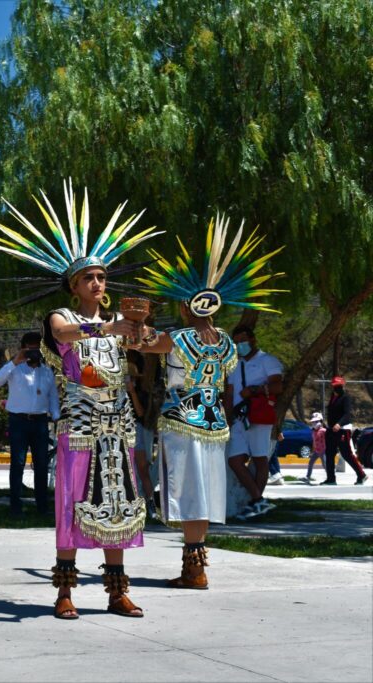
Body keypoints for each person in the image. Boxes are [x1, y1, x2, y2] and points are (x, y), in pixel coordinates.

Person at [0, 179, 161, 619]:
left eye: (101, 276)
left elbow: (158, 346)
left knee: (117, 503)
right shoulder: (62, 317)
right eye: (88, 278)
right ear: (74, 286)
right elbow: (62, 335)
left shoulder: (120, 321)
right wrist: (110, 330)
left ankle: (117, 591)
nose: (97, 282)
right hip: (78, 423)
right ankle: (64, 589)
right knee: (71, 504)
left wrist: (147, 332)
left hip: (117, 424)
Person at [137, 213, 284, 589]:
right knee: (202, 494)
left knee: (186, 493)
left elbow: (138, 344)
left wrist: (138, 321)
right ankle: (196, 565)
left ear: (187, 307)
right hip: (215, 424)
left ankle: (194, 568)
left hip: (181, 422)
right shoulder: (227, 345)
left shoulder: (179, 338)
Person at [0, 331, 60, 516]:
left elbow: (53, 396)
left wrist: (56, 416)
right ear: (23, 348)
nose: (33, 351)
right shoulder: (15, 368)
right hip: (18, 421)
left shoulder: (47, 371)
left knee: (41, 464)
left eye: (37, 347)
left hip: (39, 422)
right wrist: (15, 360)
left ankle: (42, 506)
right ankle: (15, 506)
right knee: (18, 463)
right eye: (29, 348)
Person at [224, 324, 284, 517]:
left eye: (243, 340)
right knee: (234, 460)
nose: (240, 345)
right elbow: (229, 393)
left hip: (258, 415)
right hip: (238, 418)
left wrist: (255, 390)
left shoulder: (267, 360)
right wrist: (227, 417)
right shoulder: (234, 364)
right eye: (236, 342)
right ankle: (258, 500)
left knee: (260, 459)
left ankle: (256, 503)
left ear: (252, 340)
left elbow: (278, 386)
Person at [126, 350, 163, 519]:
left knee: (142, 468)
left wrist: (132, 392)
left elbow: (140, 413)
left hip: (136, 430)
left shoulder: (141, 393)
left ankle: (150, 503)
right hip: (122, 429)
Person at [323, 376, 368, 486]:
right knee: (329, 454)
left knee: (346, 454)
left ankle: (361, 475)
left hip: (342, 430)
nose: (337, 387)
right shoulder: (333, 397)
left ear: (343, 385)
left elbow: (347, 415)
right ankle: (330, 479)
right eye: (335, 385)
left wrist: (339, 424)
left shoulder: (345, 398)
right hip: (331, 430)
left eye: (339, 385)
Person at [302, 411, 326, 484]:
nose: (314, 424)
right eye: (313, 422)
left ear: (321, 422)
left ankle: (330, 475)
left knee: (324, 464)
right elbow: (314, 442)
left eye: (316, 422)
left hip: (323, 450)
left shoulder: (324, 431)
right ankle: (308, 476)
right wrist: (313, 451)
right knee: (311, 462)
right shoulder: (313, 432)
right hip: (316, 451)